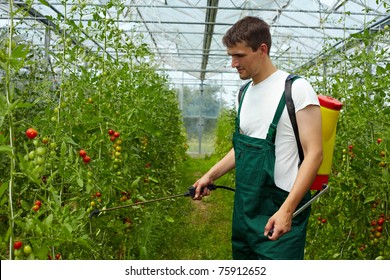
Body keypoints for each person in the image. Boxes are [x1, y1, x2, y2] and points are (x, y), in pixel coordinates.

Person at [193, 16, 323, 260]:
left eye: (239, 56)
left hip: (280, 211)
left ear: (262, 49)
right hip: (245, 211)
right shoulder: (244, 94)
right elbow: (243, 147)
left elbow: (314, 154)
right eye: (231, 56)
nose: (233, 63)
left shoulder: (295, 89)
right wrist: (210, 175)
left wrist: (287, 211)